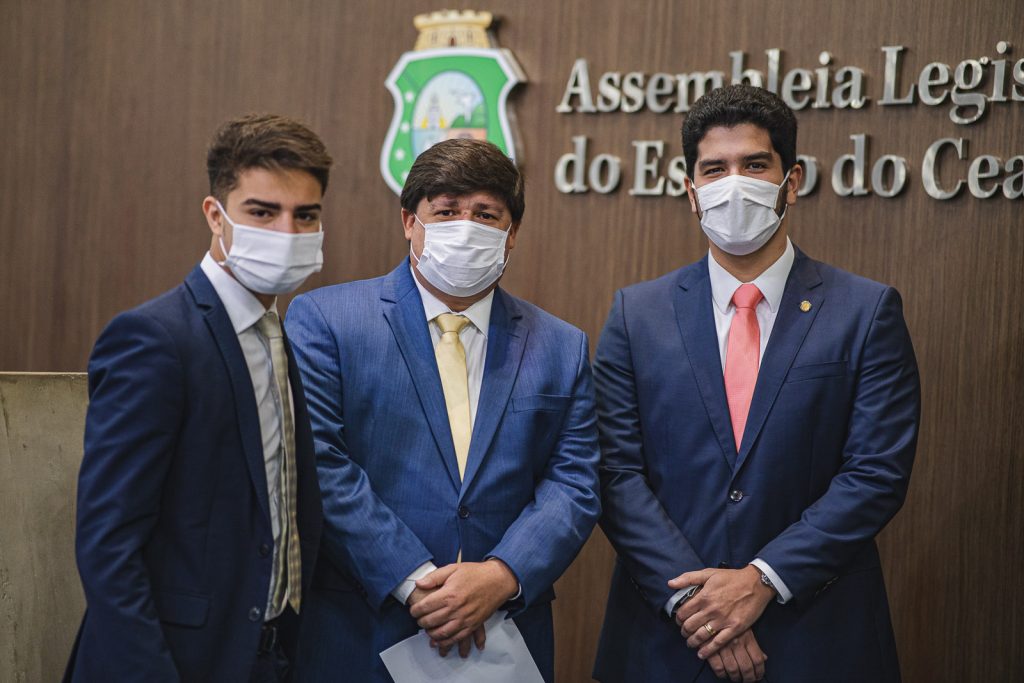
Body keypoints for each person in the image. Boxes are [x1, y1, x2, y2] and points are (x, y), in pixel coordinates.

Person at [592, 85, 920, 683]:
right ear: (691, 191)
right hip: (666, 640)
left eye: (755, 164)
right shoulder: (636, 315)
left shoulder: (866, 311)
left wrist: (763, 579)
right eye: (714, 169)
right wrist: (697, 604)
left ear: (791, 182)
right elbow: (616, 472)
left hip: (816, 636)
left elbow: (876, 473)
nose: (734, 183)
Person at [285, 138, 601, 682]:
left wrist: (502, 574)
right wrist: (416, 583)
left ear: (511, 233)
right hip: (361, 629)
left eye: (486, 215)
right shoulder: (326, 320)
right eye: (447, 211)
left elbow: (574, 481)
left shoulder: (560, 345)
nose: (466, 227)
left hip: (503, 634)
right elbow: (320, 463)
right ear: (410, 221)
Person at [65, 114, 331, 682]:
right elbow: (108, 543)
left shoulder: (277, 332)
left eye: (305, 215)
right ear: (215, 215)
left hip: (267, 656)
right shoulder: (153, 339)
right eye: (262, 212)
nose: (286, 233)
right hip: (172, 662)